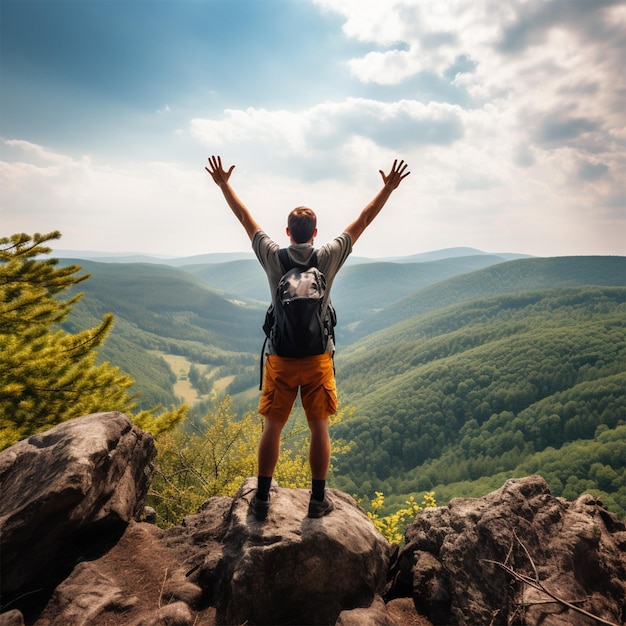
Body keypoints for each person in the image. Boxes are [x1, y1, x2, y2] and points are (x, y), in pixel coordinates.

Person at [205, 155, 410, 520]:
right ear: (315, 233)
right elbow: (362, 221)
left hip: (281, 358)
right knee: (319, 428)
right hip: (318, 358)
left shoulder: (273, 256)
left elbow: (244, 218)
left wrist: (223, 184)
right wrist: (387, 189)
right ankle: (318, 500)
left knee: (273, 427)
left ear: (287, 232)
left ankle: (263, 499)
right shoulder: (328, 255)